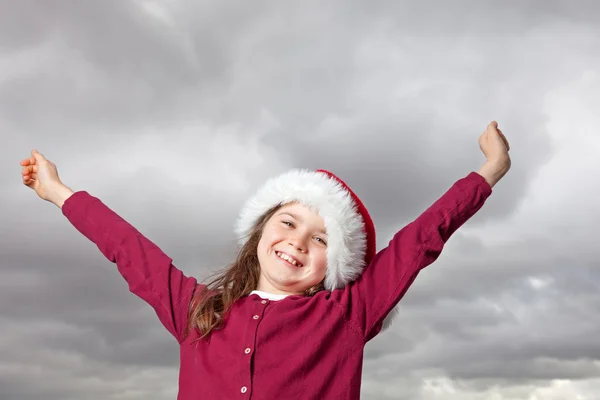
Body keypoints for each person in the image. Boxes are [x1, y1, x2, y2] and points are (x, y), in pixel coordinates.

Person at [19, 121, 511, 399]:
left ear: (333, 267)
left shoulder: (346, 315)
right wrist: (59, 192)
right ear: (261, 230)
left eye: (322, 240)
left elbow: (422, 238)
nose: (298, 242)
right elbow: (129, 250)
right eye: (289, 222)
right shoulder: (199, 312)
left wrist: (490, 170)